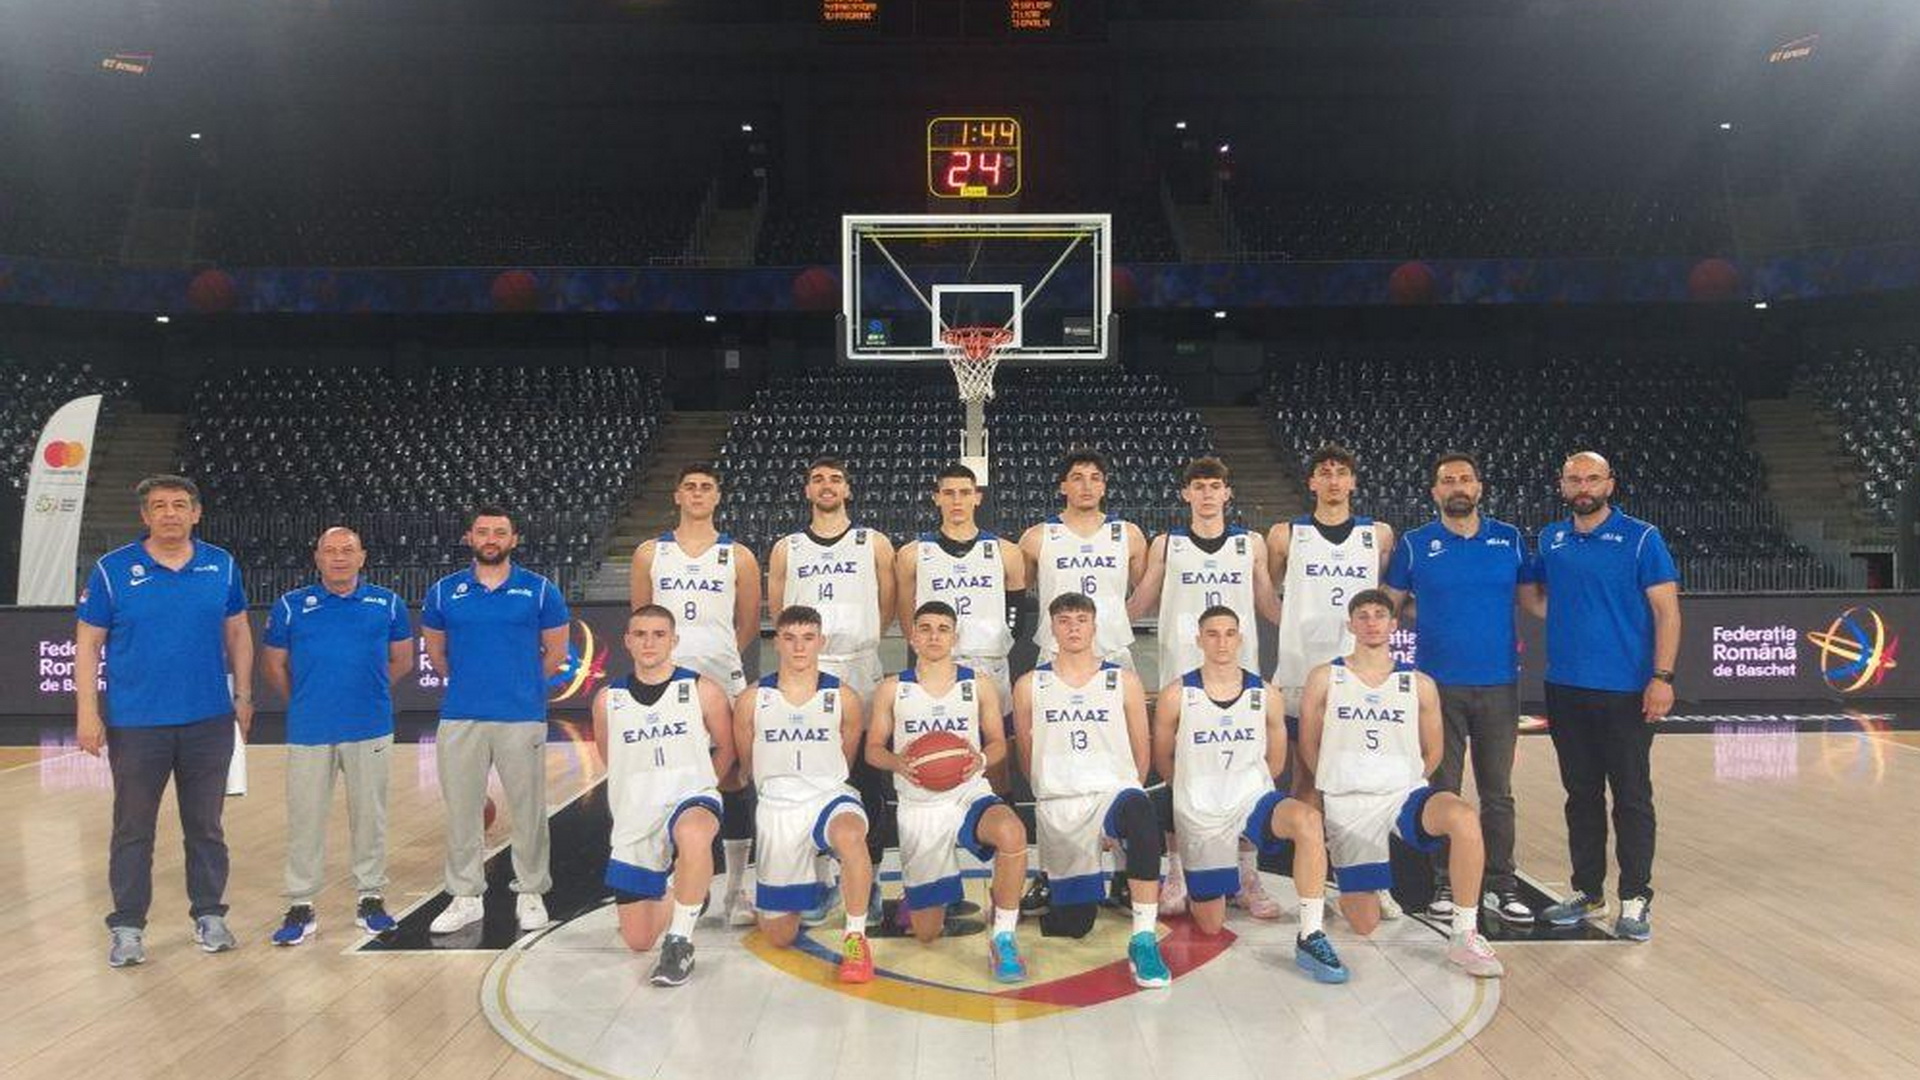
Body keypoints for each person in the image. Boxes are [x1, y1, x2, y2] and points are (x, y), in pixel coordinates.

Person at [76, 474, 253, 968]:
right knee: (133, 828)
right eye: (159, 506)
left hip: (208, 719)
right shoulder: (112, 570)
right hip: (136, 723)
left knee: (206, 826)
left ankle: (210, 915)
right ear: (145, 516)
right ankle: (128, 927)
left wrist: (243, 696)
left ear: (196, 513)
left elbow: (238, 633)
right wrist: (88, 711)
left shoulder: (221, 564)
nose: (170, 513)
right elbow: (88, 643)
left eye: (179, 504)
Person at [1296, 590, 1503, 978]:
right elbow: (1309, 745)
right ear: (1350, 625)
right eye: (1363, 615)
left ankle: (1464, 933)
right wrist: (1335, 782)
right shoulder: (1325, 677)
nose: (1371, 622)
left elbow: (1433, 750)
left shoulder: (1418, 683)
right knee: (1365, 924)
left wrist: (1400, 778)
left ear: (1394, 625)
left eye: (1380, 615)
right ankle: (1366, 884)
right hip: (1348, 803)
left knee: (1463, 817)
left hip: (1401, 796)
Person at [1151, 606, 1347, 984]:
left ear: (1240, 639)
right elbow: (1164, 759)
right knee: (1210, 924)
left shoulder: (1265, 693)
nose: (1222, 642)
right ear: (1199, 640)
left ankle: (1311, 934)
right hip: (1202, 811)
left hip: (1250, 799)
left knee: (1308, 820)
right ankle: (1193, 874)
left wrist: (1247, 787)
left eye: (1229, 633)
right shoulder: (1177, 694)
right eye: (1212, 634)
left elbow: (1276, 760)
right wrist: (1194, 791)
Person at [1531, 451, 1680, 942]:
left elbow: (1667, 611)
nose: (1584, 486)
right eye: (1575, 479)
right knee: (1581, 796)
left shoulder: (1642, 538)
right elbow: (1536, 597)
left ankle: (1635, 896)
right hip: (1565, 686)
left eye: (1592, 478)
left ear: (1610, 484)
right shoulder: (1551, 538)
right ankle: (1587, 891)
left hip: (1626, 690)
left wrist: (1662, 677)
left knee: (1632, 796)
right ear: (1562, 485)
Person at [1382, 452, 1537, 925]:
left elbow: (1533, 601)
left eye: (1465, 479)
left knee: (1497, 793)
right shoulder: (1415, 544)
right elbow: (1389, 607)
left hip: (1498, 684)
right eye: (1448, 480)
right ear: (1435, 492)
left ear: (1479, 488)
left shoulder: (1509, 539)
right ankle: (1445, 883)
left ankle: (1502, 884)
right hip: (1436, 688)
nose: (1457, 487)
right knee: (1443, 787)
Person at [1129, 457, 1284, 917]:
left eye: (1215, 486)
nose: (1208, 494)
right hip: (1183, 675)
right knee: (1181, 776)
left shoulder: (1250, 543)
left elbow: (1269, 604)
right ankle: (1178, 871)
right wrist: (1097, 629)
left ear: (1227, 493)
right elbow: (1140, 602)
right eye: (1199, 486)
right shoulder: (1167, 544)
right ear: (1186, 494)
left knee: (1247, 774)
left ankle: (1247, 876)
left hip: (1240, 675)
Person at [260, 526, 414, 946]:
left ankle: (370, 897)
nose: (340, 557)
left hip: (370, 726)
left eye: (348, 550)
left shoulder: (388, 603)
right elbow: (273, 665)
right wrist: (304, 701)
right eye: (331, 551)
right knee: (305, 818)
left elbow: (402, 660)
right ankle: (301, 903)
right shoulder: (291, 606)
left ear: (362, 557)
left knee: (370, 816)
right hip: (310, 729)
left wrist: (369, 692)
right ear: (318, 558)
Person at [422, 506, 572, 935]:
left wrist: (521, 683)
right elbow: (437, 653)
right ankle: (466, 896)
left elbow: (556, 653)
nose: (491, 539)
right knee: (462, 812)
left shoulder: (540, 590)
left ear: (513, 539)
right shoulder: (444, 591)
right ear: (470, 537)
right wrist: (472, 683)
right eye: (483, 531)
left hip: (521, 715)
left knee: (528, 810)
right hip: (461, 716)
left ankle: (531, 891)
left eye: (500, 532)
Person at [629, 462, 764, 929]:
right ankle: (680, 881)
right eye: (690, 486)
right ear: (678, 496)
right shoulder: (650, 553)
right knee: (670, 778)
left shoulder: (738, 556)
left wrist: (717, 656)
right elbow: (642, 617)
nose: (698, 493)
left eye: (707, 487)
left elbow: (749, 622)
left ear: (717, 497)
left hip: (723, 679)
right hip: (668, 683)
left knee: (734, 779)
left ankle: (735, 890)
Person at [1012, 592, 1170, 989]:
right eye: (1064, 621)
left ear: (1094, 626)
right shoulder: (1031, 684)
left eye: (1081, 620)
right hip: (1061, 803)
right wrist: (1050, 789)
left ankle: (1144, 939)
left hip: (1111, 792)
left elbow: (1141, 750)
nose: (1073, 628)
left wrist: (1124, 798)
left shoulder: (1123, 681)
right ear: (1052, 629)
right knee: (1074, 925)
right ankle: (1055, 883)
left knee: (1139, 810)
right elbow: (1027, 754)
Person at [1268, 442, 1400, 919]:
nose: (1333, 480)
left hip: (1358, 675)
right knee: (1305, 779)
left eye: (1341, 472)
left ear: (1353, 482)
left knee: (1361, 779)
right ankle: (1312, 881)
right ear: (1311, 483)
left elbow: (1383, 597)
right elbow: (1271, 591)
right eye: (1324, 472)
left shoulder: (1377, 535)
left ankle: (1368, 879)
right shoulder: (1286, 535)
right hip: (1301, 672)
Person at [865, 601, 1029, 982]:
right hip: (920, 805)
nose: (934, 636)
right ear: (912, 637)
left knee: (1012, 832)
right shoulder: (892, 688)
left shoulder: (978, 685)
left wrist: (981, 760)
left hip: (968, 793)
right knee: (927, 933)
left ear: (955, 638)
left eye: (943, 629)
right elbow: (873, 749)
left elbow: (998, 743)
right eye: (925, 628)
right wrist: (897, 762)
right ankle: (919, 901)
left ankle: (1004, 936)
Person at [767, 457, 895, 922]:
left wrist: (862, 638)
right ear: (807, 490)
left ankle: (871, 879)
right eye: (818, 479)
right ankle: (817, 880)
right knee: (810, 772)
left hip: (859, 666)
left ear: (848, 489)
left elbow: (888, 604)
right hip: (809, 667)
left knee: (866, 777)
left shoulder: (873, 542)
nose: (827, 485)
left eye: (835, 479)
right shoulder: (787, 548)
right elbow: (780, 611)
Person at [591, 605, 737, 987]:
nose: (649, 642)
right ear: (627, 641)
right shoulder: (608, 699)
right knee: (638, 940)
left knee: (693, 833)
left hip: (691, 797)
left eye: (659, 634)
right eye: (640, 634)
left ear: (674, 640)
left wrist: (705, 784)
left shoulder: (702, 689)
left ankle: (679, 943)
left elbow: (726, 746)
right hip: (636, 811)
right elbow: (610, 756)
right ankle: (688, 888)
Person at [894, 463, 1026, 789]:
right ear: (936, 497)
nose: (957, 500)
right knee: (939, 750)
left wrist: (1001, 636)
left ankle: (998, 812)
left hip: (991, 664)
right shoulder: (913, 554)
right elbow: (906, 612)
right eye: (949, 493)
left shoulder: (1006, 551)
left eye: (965, 493)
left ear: (977, 497)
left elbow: (1016, 611)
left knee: (996, 757)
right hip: (940, 666)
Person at [1019, 449, 1147, 668]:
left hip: (1112, 649)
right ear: (1063, 487)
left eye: (1095, 478)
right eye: (1077, 478)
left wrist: (1120, 621)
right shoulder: (1036, 537)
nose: (1087, 486)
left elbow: (1147, 591)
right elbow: (1016, 591)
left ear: (1103, 487)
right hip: (1056, 650)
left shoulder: (1129, 534)